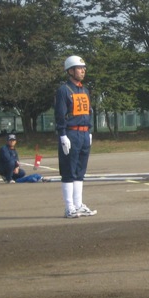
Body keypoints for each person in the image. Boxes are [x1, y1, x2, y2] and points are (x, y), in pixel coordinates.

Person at [55, 55, 96, 219]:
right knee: (68, 171)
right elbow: (60, 115)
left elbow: (88, 112)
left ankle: (78, 204)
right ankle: (69, 207)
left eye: (83, 68)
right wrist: (63, 135)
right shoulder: (64, 90)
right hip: (71, 133)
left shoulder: (84, 90)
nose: (83, 70)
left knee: (80, 171)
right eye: (80, 68)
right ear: (70, 71)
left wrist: (89, 131)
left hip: (84, 133)